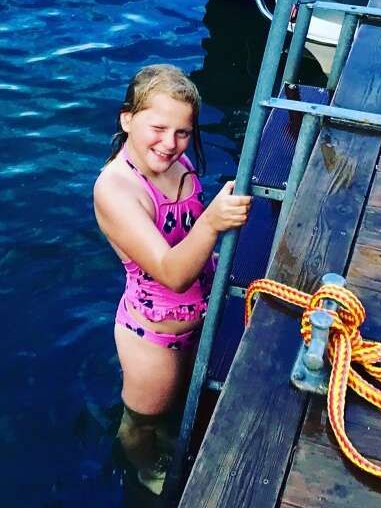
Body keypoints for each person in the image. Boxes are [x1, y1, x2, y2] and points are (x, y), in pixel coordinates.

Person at [92, 64, 249, 491]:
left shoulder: (178, 163)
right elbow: (171, 272)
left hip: (198, 318)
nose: (170, 143)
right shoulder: (115, 189)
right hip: (153, 338)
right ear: (127, 119)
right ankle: (144, 473)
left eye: (182, 132)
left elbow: (185, 237)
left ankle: (168, 447)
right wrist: (213, 222)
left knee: (178, 407)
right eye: (158, 128)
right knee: (142, 423)